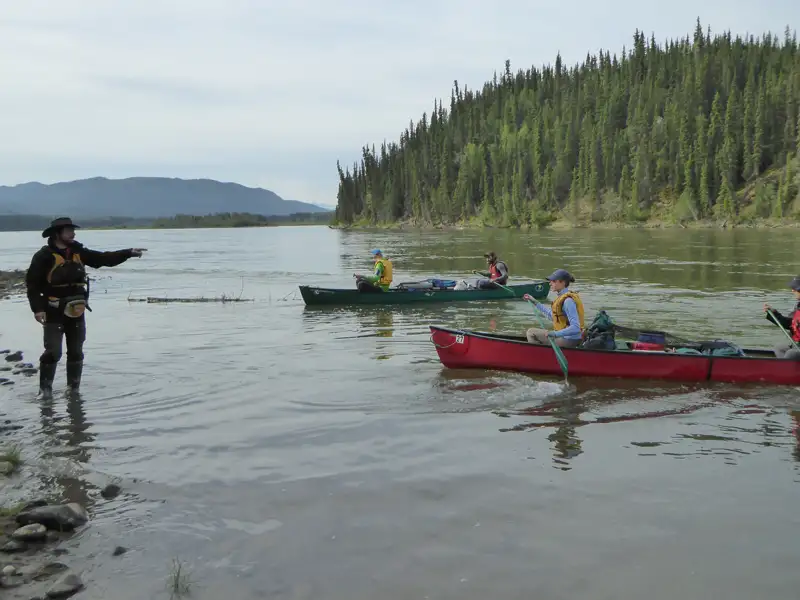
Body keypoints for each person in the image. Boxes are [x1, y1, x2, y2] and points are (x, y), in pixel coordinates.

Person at [25, 217, 148, 397]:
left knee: (76, 351)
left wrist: (127, 253)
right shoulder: (43, 256)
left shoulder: (78, 251)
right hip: (53, 310)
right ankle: (45, 392)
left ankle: (73, 391)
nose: (73, 233)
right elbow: (32, 284)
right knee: (53, 352)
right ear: (57, 234)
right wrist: (37, 309)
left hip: (76, 309)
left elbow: (102, 259)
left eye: (72, 230)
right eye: (68, 231)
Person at [523, 268, 585, 348]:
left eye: (554, 281)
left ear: (562, 283)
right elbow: (552, 316)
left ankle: (537, 357)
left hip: (569, 341)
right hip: (567, 339)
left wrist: (555, 334)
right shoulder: (562, 298)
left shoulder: (568, 301)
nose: (550, 283)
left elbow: (576, 328)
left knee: (531, 332)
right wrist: (535, 302)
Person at [763, 276, 800, 360]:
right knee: (779, 348)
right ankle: (786, 368)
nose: (792, 290)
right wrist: (774, 313)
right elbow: (789, 324)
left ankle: (786, 370)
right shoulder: (798, 307)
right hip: (797, 345)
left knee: (791, 353)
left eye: (795, 288)